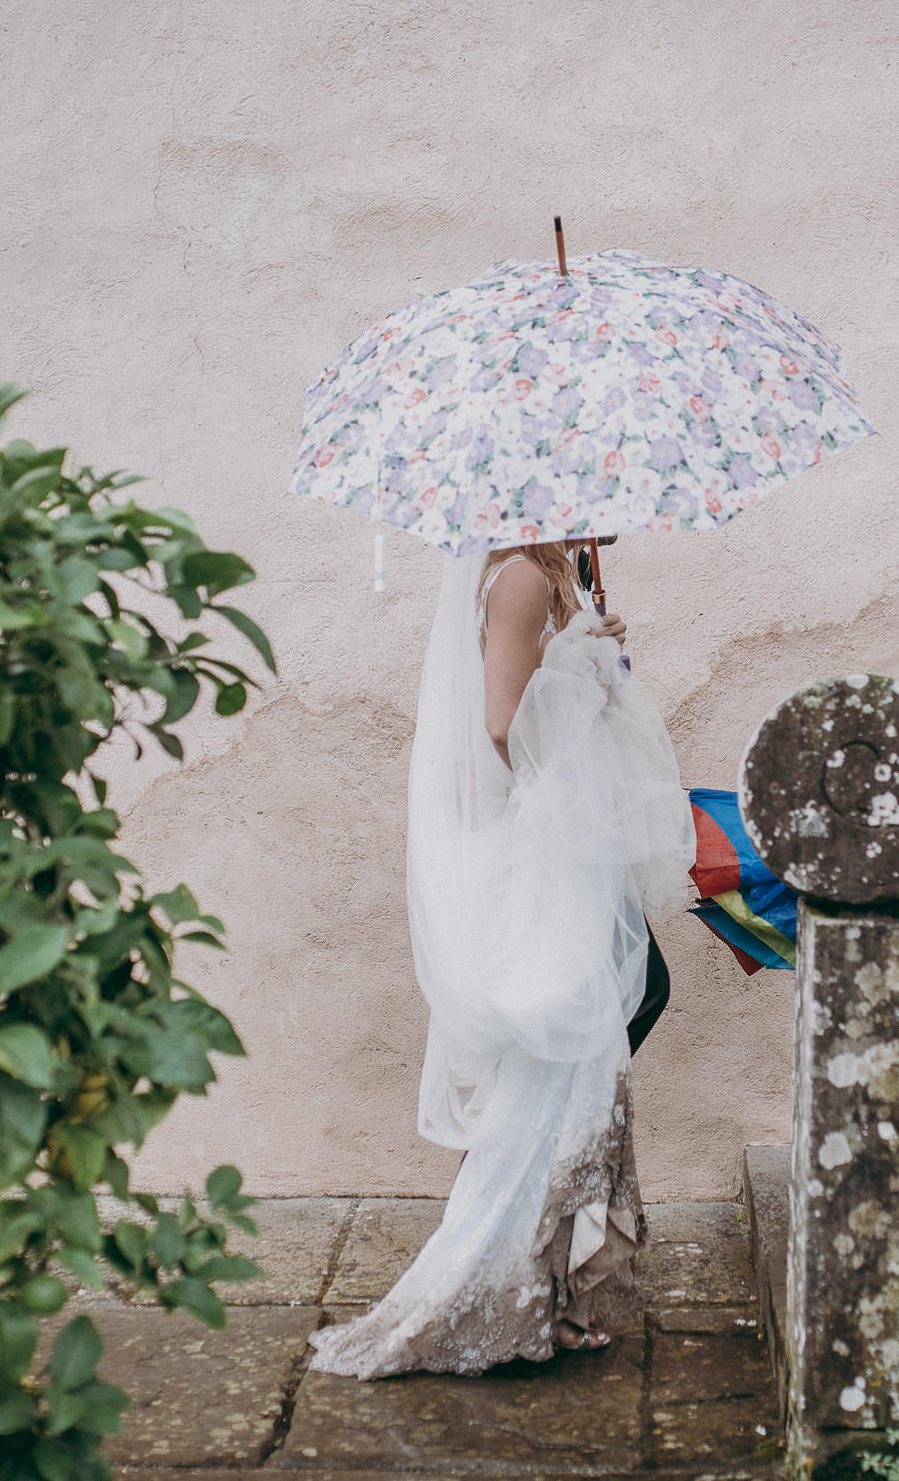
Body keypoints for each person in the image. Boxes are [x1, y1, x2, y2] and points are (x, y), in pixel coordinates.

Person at [306, 540, 695, 1377]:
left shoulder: (557, 575)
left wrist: (588, 652)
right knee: (567, 1063)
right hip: (538, 855)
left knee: (592, 1048)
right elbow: (499, 723)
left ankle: (539, 1278)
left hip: (562, 852)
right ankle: (512, 1279)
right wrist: (580, 668)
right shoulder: (521, 577)